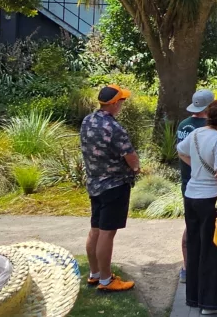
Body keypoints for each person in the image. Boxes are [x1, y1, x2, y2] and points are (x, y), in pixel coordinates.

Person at [176, 99, 217, 314]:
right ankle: (210, 303)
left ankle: (193, 296)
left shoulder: (196, 134)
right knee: (211, 250)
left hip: (191, 194)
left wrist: (197, 168)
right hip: (210, 198)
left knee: (194, 246)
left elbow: (180, 150)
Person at [80, 84, 139, 292]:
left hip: (94, 183)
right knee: (107, 233)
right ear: (114, 103)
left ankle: (94, 274)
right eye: (122, 100)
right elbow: (130, 157)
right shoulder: (114, 128)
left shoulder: (88, 120)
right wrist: (137, 168)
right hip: (114, 185)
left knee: (95, 229)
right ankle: (106, 281)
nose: (123, 103)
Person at [176, 89, 217, 284]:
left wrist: (194, 166)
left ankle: (187, 267)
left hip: (188, 183)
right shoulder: (211, 127)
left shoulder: (184, 125)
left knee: (190, 227)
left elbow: (180, 151)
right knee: (206, 229)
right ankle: (207, 271)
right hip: (207, 187)